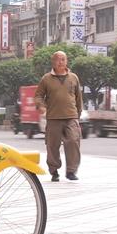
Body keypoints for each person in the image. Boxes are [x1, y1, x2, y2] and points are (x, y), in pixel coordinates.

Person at [34, 51, 83, 182]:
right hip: (53, 117)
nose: (60, 62)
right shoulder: (46, 79)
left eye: (63, 59)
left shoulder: (74, 78)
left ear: (66, 61)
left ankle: (71, 171)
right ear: (53, 62)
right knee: (52, 145)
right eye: (58, 59)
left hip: (71, 116)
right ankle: (54, 170)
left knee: (73, 141)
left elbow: (78, 97)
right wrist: (41, 105)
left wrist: (78, 113)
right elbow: (38, 95)